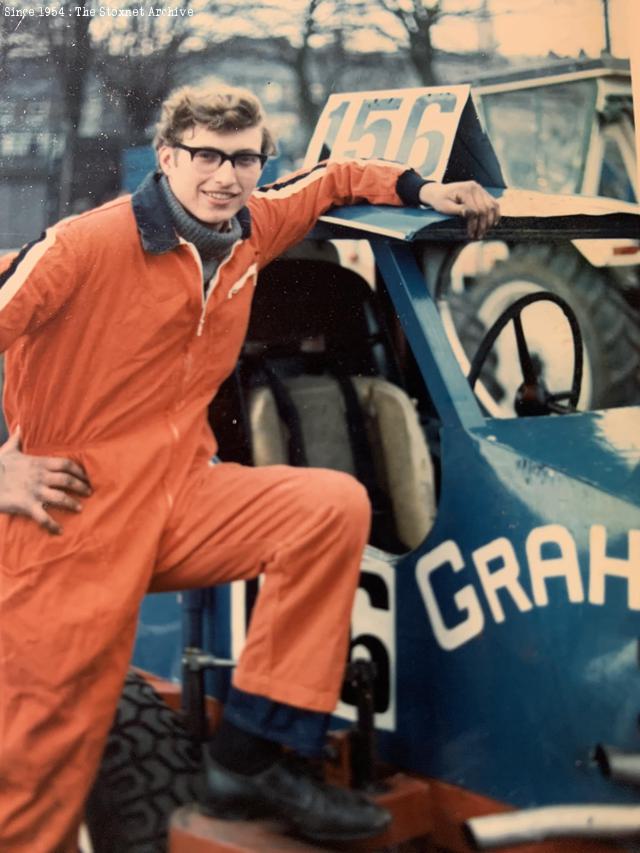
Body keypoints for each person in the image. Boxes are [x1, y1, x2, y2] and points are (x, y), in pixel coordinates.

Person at [0, 82, 500, 851]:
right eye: (204, 155)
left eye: (244, 158)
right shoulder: (81, 247)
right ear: (167, 157)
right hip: (72, 520)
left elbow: (333, 179)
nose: (225, 176)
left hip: (183, 496)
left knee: (328, 508)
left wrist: (423, 188)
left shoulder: (250, 228)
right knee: (37, 768)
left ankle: (251, 755)